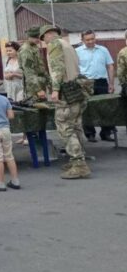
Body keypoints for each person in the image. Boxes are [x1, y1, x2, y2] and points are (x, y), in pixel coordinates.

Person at [41, 25, 91, 179]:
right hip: (77, 89)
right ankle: (79, 158)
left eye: (43, 39)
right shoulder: (67, 45)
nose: (44, 43)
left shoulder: (54, 44)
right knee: (76, 126)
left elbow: (57, 68)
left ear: (48, 35)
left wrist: (55, 90)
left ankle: (78, 164)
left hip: (66, 92)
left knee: (65, 128)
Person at [75, 30, 115, 142]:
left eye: (92, 39)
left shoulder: (103, 50)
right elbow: (74, 69)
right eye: (87, 40)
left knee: (105, 108)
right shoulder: (77, 52)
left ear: (95, 38)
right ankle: (90, 134)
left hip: (101, 82)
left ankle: (106, 133)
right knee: (86, 109)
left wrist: (111, 83)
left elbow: (110, 66)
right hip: (85, 83)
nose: (90, 41)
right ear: (82, 40)